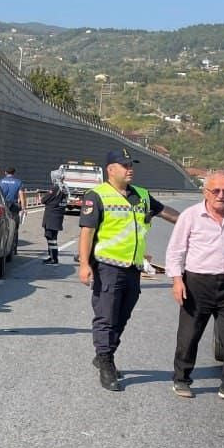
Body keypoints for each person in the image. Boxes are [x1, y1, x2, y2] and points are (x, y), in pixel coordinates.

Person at [78, 148, 179, 391]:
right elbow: (87, 233)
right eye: (124, 165)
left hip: (133, 268)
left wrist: (196, 218)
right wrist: (84, 264)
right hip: (107, 267)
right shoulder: (97, 196)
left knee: (122, 316)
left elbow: (167, 213)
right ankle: (106, 361)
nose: (129, 169)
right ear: (110, 170)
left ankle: (105, 353)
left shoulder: (142, 195)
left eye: (131, 164)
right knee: (106, 316)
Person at [165, 171, 224, 405]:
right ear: (206, 192)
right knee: (189, 334)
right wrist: (176, 280)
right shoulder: (191, 216)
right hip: (196, 283)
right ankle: (182, 378)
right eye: (216, 191)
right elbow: (176, 250)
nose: (221, 195)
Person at [39, 180, 68, 264]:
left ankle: (54, 258)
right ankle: (52, 256)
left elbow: (44, 199)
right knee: (52, 238)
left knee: (51, 238)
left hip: (51, 217)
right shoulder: (65, 189)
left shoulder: (56, 188)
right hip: (58, 216)